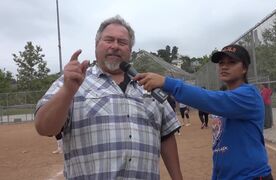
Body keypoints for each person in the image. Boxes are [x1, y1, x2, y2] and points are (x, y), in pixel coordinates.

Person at [34, 15, 182, 180]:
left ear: (130, 50)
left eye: (122, 42)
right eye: (109, 40)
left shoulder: (148, 85)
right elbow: (44, 127)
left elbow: (166, 136)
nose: (115, 46)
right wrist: (67, 91)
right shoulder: (73, 81)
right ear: (97, 45)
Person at [134, 44, 273, 180]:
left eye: (232, 62)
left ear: (244, 68)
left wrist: (166, 82)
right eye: (221, 63)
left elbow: (209, 99)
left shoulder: (249, 95)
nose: (224, 66)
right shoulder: (228, 100)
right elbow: (220, 147)